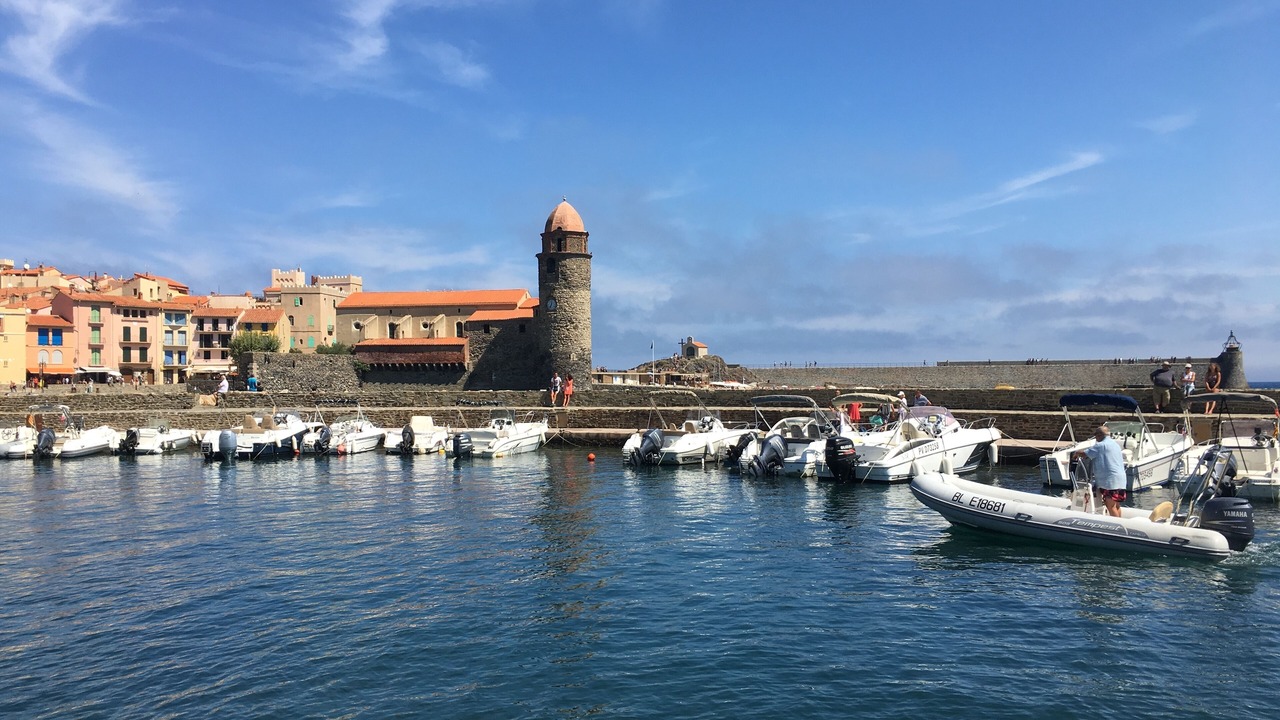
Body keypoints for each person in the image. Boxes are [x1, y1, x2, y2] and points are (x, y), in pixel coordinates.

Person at [1072, 425, 1127, 517]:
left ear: (1099, 435)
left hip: (1109, 481)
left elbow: (1085, 454)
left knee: (1110, 506)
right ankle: (1120, 522)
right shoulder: (1115, 444)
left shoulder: (1100, 445)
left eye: (1095, 435)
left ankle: (1118, 527)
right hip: (1120, 479)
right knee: (1116, 505)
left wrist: (1077, 453)